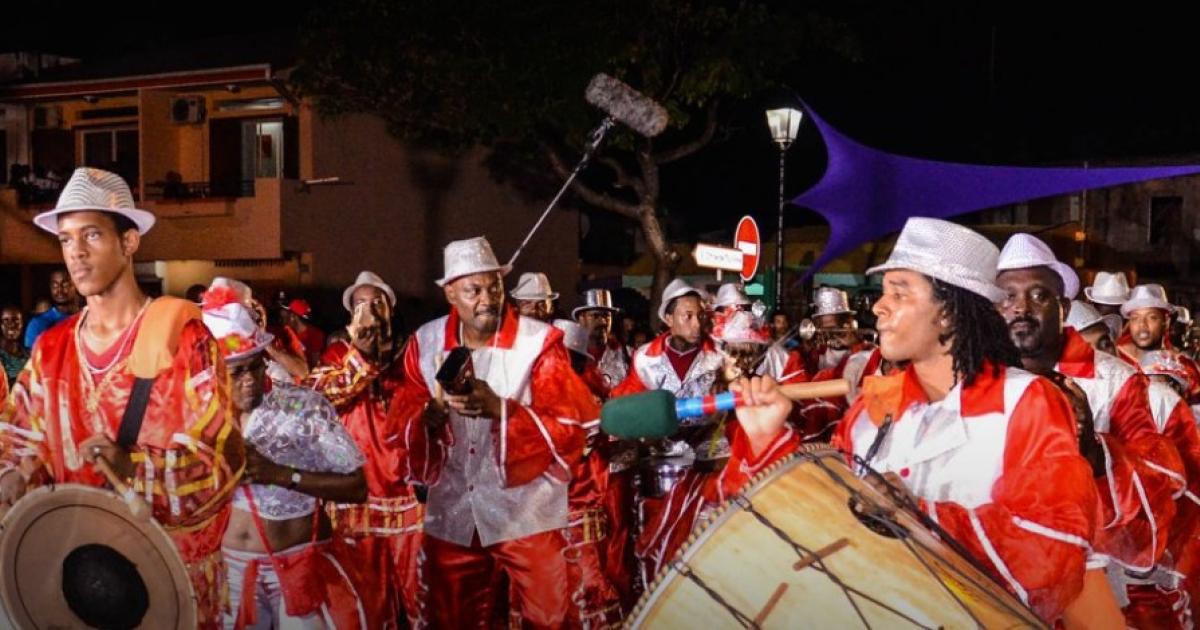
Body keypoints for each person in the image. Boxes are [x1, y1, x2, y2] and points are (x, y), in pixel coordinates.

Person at [0, 168, 244, 627]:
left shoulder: (184, 338)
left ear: (129, 242)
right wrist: (13, 476)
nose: (76, 252)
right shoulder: (51, 349)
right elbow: (18, 439)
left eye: (91, 235)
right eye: (66, 239)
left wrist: (133, 467)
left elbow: (221, 459)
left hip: (169, 581)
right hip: (78, 581)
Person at [834, 218, 1104, 625]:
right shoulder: (870, 409)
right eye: (883, 291)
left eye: (899, 293)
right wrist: (765, 436)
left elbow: (1051, 542)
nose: (878, 306)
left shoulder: (1026, 402)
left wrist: (920, 514)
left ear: (947, 313)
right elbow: (820, 519)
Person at [387, 236, 598, 628]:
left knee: (550, 619)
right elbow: (401, 415)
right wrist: (428, 418)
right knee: (450, 619)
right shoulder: (424, 342)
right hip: (454, 511)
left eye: (494, 288)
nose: (487, 300)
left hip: (528, 513)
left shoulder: (540, 342)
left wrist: (501, 409)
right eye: (474, 291)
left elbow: (570, 424)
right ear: (451, 293)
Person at [995, 233, 1194, 626]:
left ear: (1064, 307)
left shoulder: (1115, 381)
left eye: (1039, 295)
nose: (1020, 307)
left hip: (1091, 586)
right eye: (1007, 297)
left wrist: (1095, 451)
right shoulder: (974, 377)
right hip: (998, 578)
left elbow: (1161, 476)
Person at [202, 285, 369, 629]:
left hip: (298, 567)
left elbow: (357, 487)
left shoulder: (303, 406)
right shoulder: (200, 415)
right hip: (230, 571)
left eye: (255, 367)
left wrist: (280, 474)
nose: (250, 380)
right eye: (236, 372)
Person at [302, 270, 422, 628]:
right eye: (360, 305)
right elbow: (315, 399)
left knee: (422, 601)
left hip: (408, 496)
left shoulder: (412, 351)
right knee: (369, 606)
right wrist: (360, 354)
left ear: (390, 308)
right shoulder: (339, 352)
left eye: (376, 303)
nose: (369, 311)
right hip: (358, 496)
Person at [1120, 284, 1200, 403]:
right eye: (1135, 318)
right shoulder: (1116, 360)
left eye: (1152, 317)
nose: (1142, 325)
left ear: (1166, 322)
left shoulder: (1185, 367)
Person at [573, 288, 630, 390]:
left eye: (607, 316)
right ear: (581, 318)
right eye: (595, 316)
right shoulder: (570, 357)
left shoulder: (626, 354)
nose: (603, 321)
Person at [24, 267, 80, 349]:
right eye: (55, 285)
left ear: (76, 285)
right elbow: (33, 355)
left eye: (65, 285)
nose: (59, 290)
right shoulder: (37, 323)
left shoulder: (87, 318)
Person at [280, 298, 326, 367]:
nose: (286, 319)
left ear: (293, 317)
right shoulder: (287, 332)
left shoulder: (315, 335)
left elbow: (315, 363)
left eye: (288, 315)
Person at [0, 306, 28, 383]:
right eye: (5, 320)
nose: (11, 325)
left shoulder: (29, 353)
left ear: (22, 323)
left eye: (16, 320)